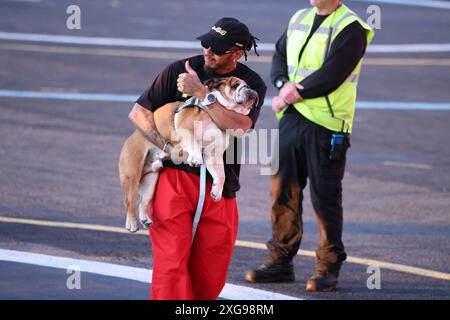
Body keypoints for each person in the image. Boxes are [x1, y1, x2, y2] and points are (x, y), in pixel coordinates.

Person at [129, 17, 266, 300]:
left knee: (210, 272)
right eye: (206, 44)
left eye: (217, 49)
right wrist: (168, 146)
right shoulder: (180, 70)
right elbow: (139, 113)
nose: (208, 52)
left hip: (220, 184)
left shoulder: (250, 84)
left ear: (237, 54)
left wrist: (203, 94)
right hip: (174, 181)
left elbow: (239, 126)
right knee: (171, 265)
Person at [245, 0, 374, 292]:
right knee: (281, 191)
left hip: (327, 123)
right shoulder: (300, 18)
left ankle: (328, 267)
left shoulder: (351, 27)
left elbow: (333, 74)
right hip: (292, 119)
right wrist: (281, 84)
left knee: (324, 197)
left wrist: (291, 94)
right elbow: (280, 56)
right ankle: (280, 261)